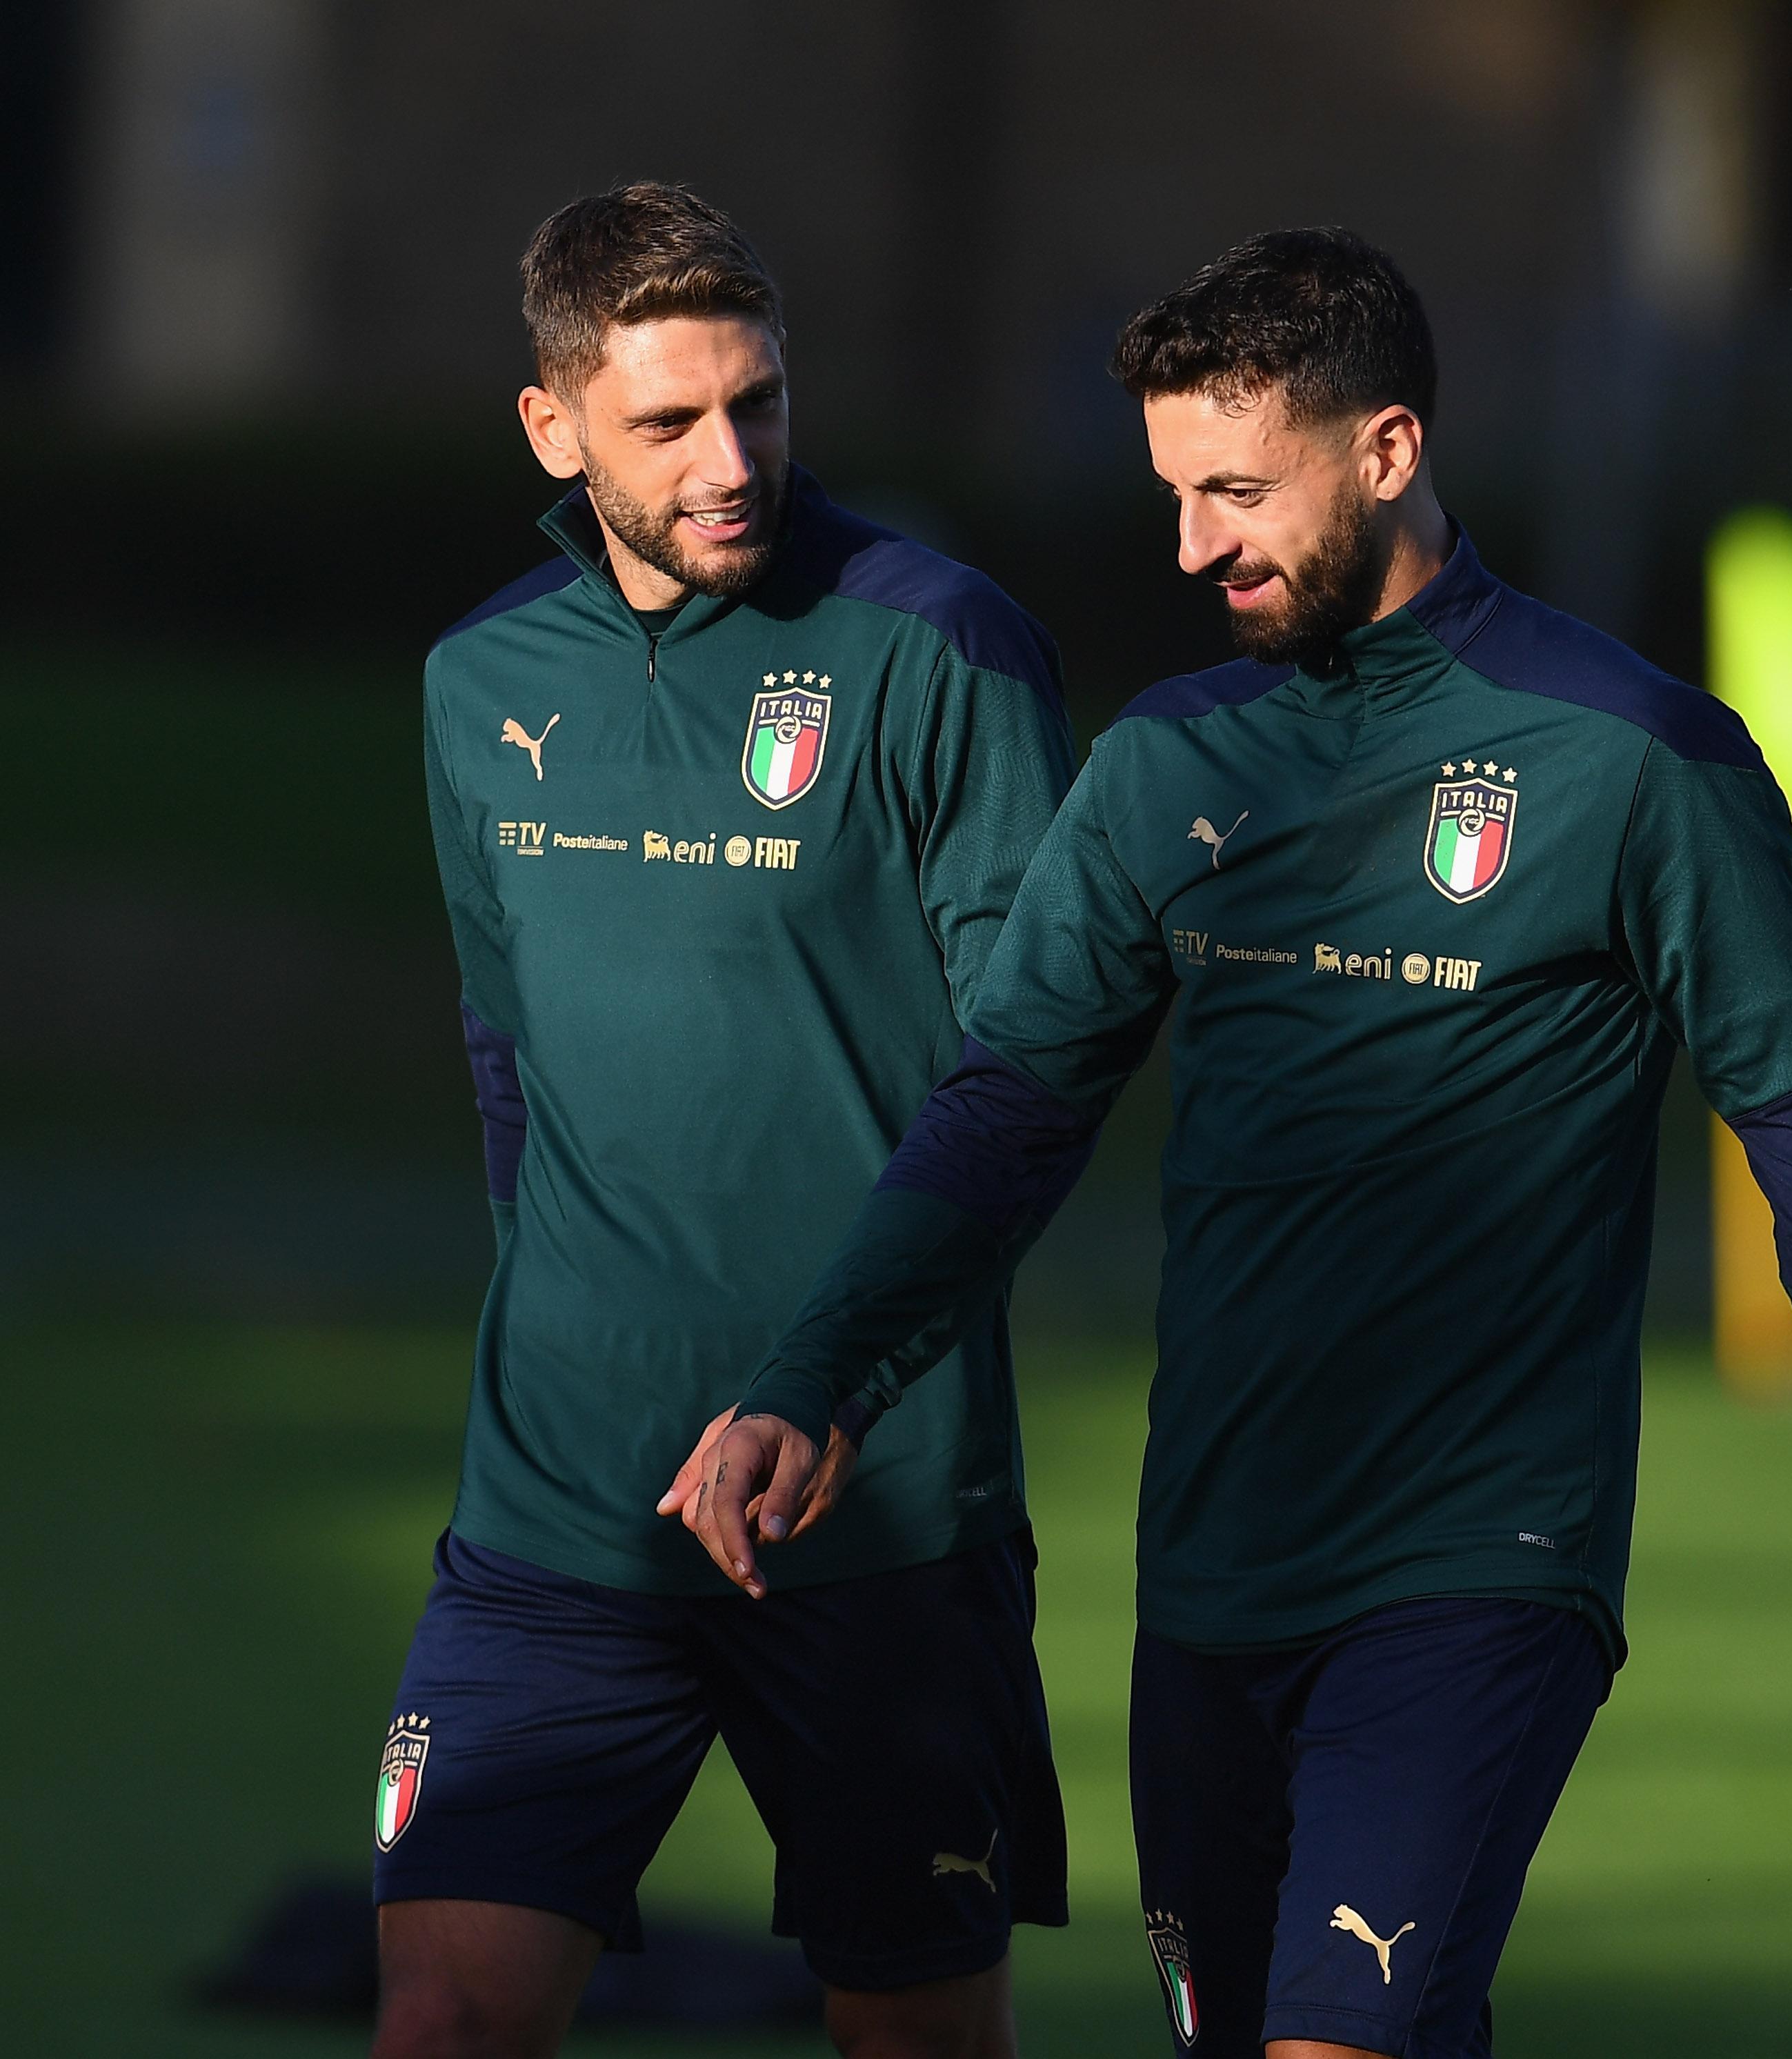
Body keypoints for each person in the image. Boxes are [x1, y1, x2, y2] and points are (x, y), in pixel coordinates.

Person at [677, 229, 1792, 2059]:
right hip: (1209, 1567)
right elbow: (1007, 1115)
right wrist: (812, 1379)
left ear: (1386, 450)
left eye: (1235, 488)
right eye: (1174, 495)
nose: (1196, 543)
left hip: (1481, 1553)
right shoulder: (1163, 765)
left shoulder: (1633, 760)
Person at [373, 182, 1077, 2059]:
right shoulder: (480, 685)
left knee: (916, 2036)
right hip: (558, 1515)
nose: (730, 458)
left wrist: (830, 1376)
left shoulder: (942, 649)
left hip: (878, 1518)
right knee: (440, 2016)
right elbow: (507, 1052)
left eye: (757, 403)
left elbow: (1038, 1072)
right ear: (553, 428)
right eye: (669, 421)